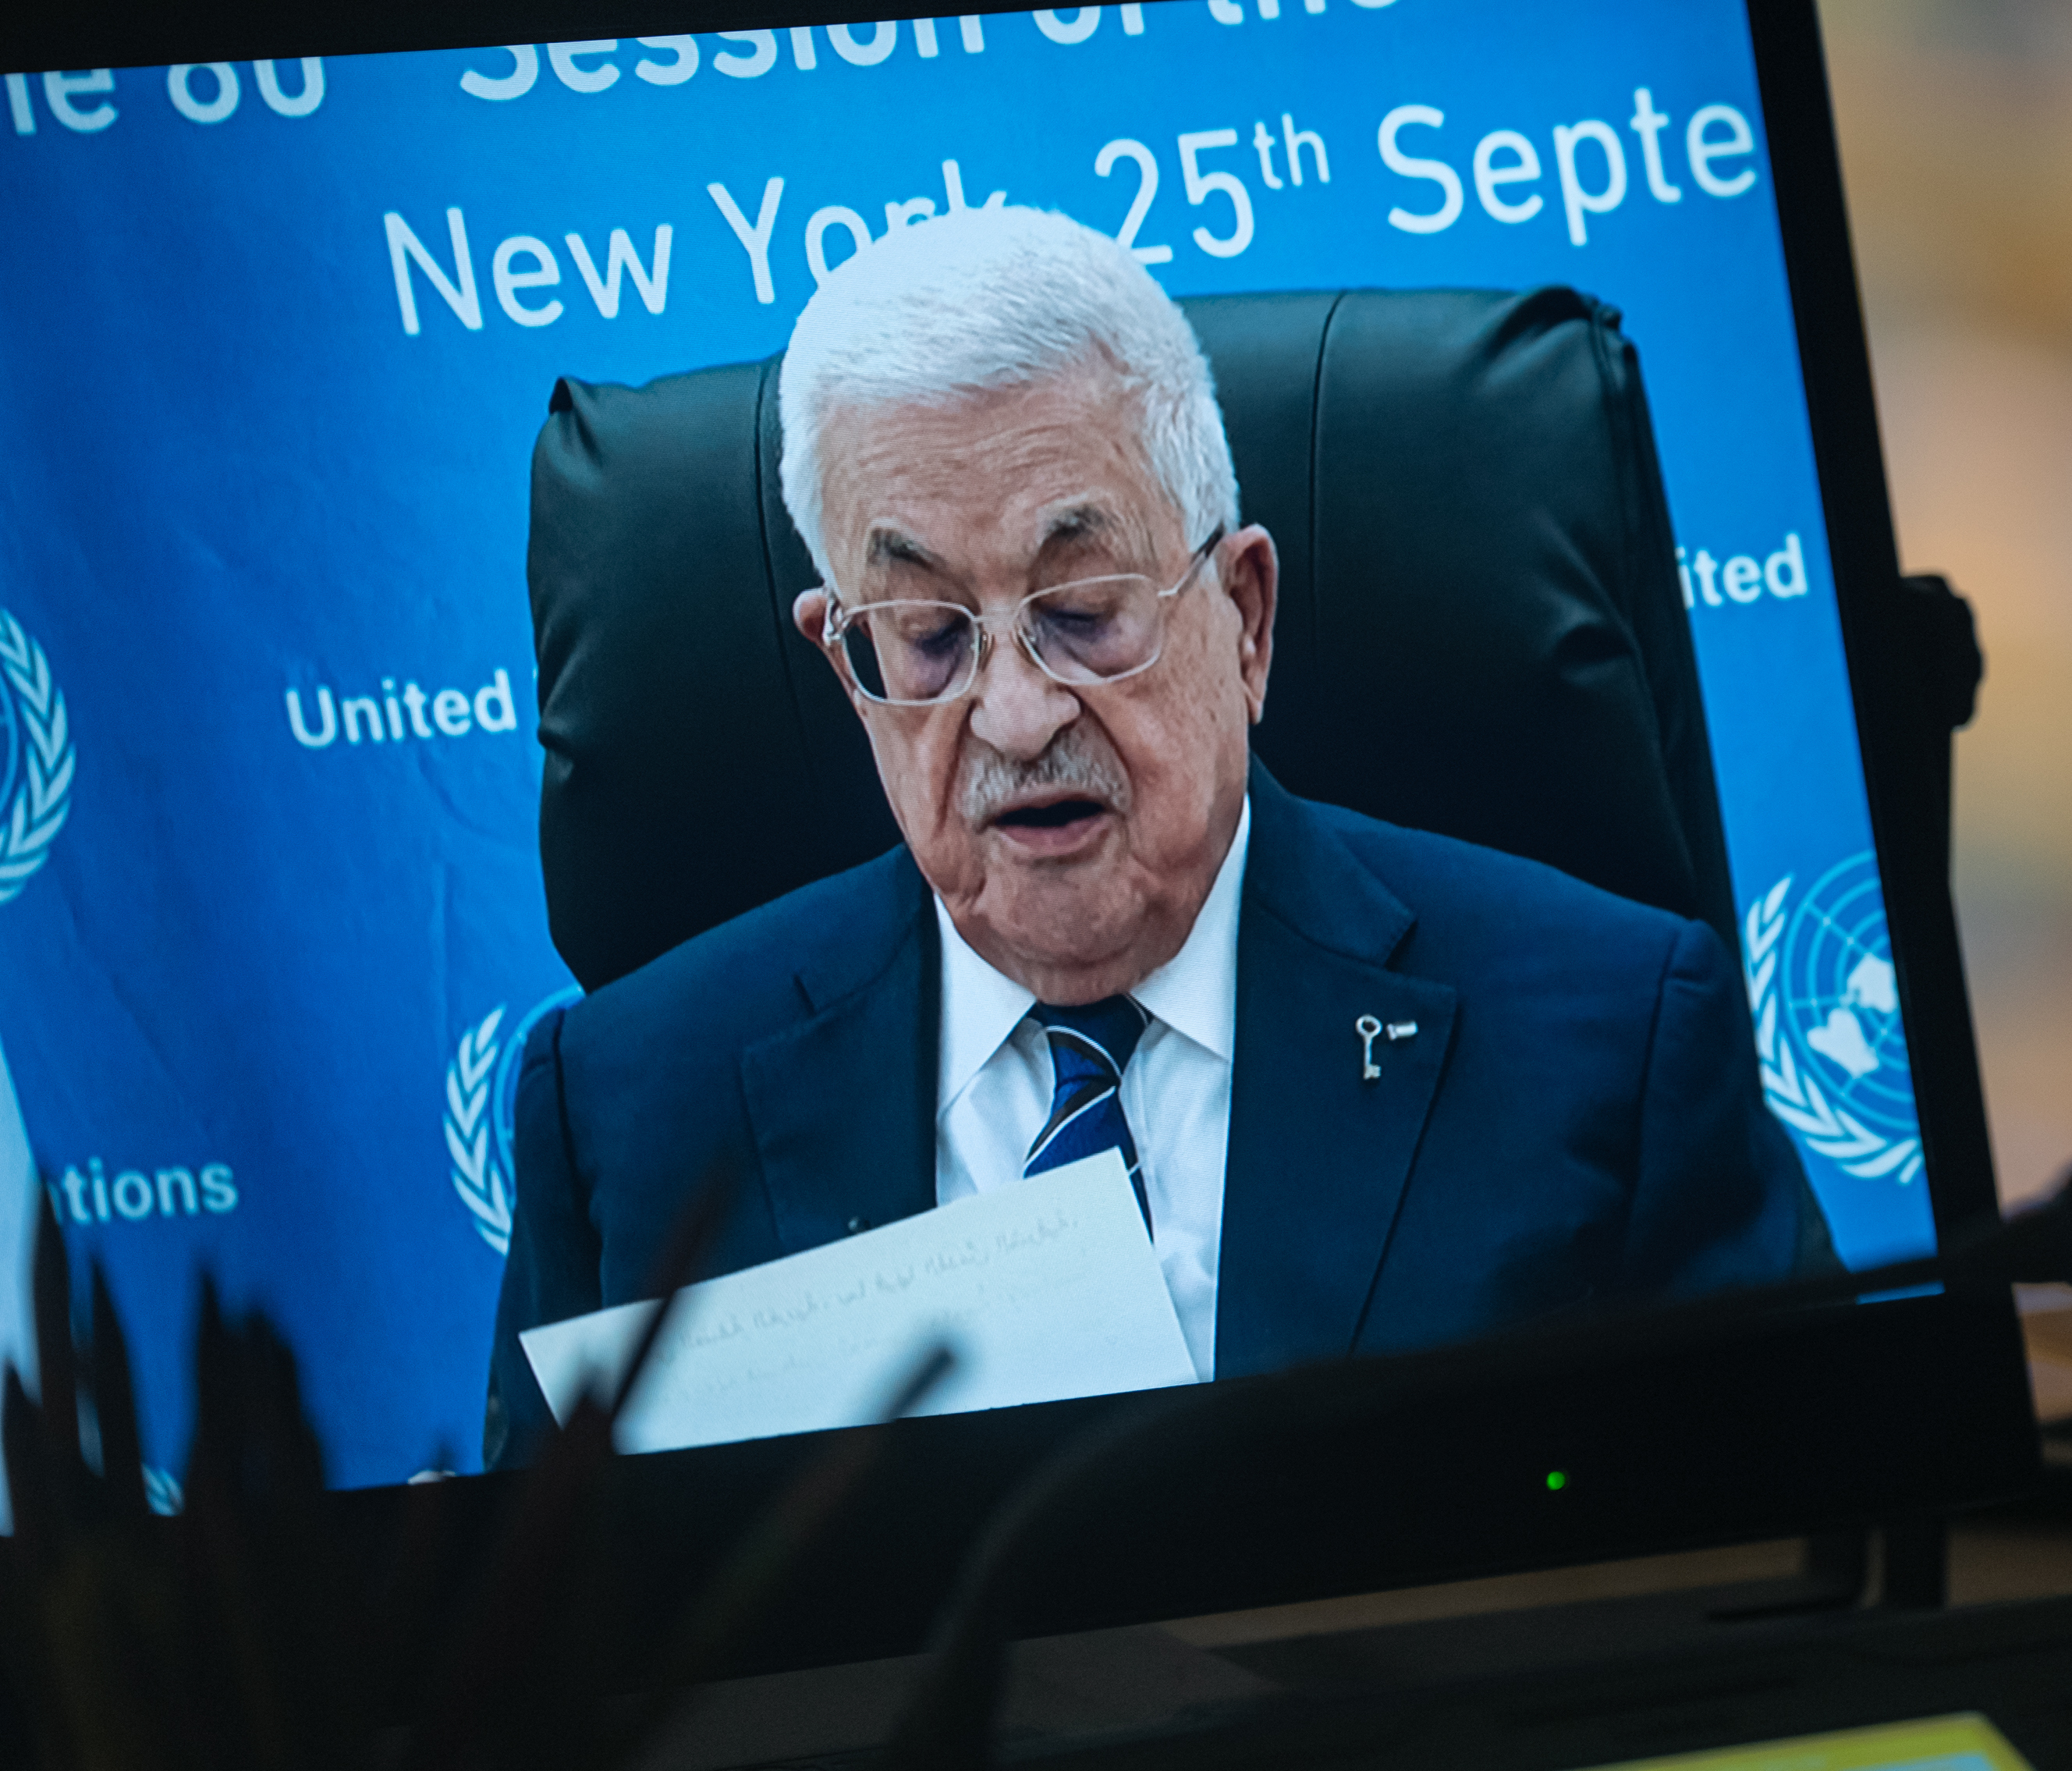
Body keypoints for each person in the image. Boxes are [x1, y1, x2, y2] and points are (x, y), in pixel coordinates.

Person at [487, 205, 1825, 1461]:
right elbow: (559, 1615)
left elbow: (1791, 1535)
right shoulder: (619, 1117)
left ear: (1244, 617)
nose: (1016, 717)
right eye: (929, 636)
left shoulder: (1616, 1042)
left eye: (1083, 611)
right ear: (848, 670)